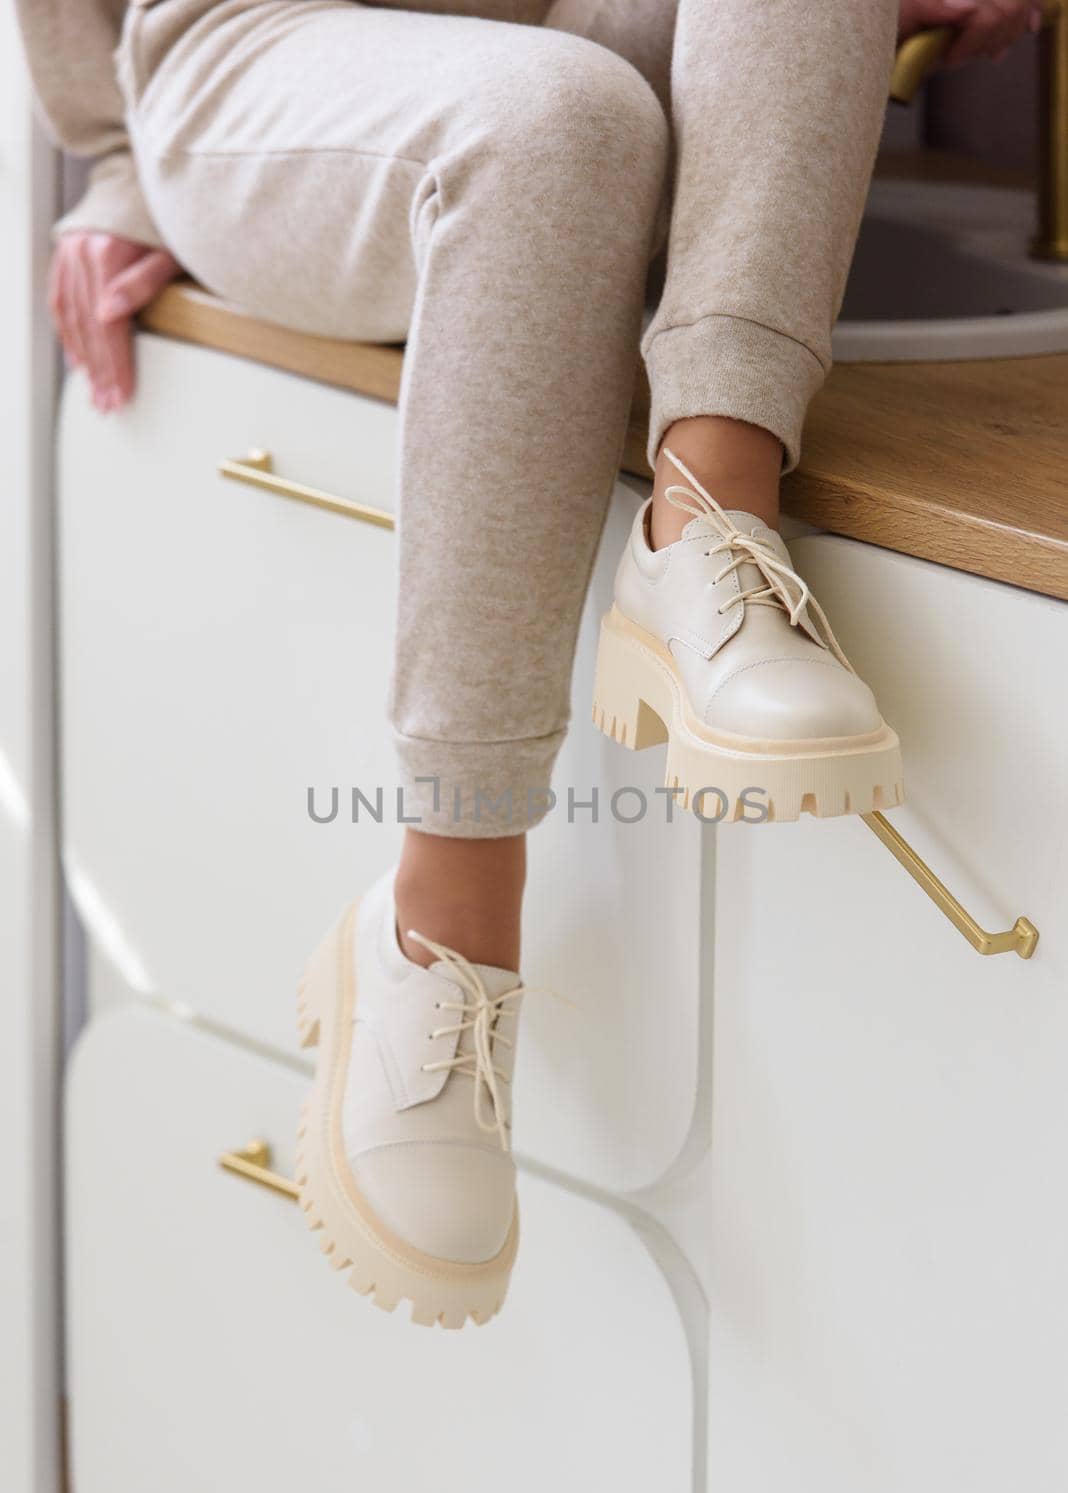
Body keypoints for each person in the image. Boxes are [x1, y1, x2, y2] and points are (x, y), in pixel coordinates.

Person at [20, 0, 1040, 1327]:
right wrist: (113, 157)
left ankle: (707, 525)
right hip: (262, 60)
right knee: (558, 122)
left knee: (573, 95)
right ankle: (437, 925)